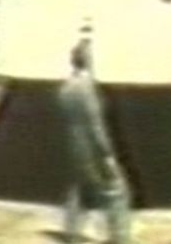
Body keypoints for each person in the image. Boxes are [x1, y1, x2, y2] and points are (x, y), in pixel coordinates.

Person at [57, 37, 132, 244]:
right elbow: (94, 121)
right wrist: (106, 151)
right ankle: (120, 236)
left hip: (74, 144)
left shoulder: (66, 88)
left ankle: (71, 231)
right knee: (117, 189)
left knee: (80, 188)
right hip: (92, 145)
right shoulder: (87, 87)